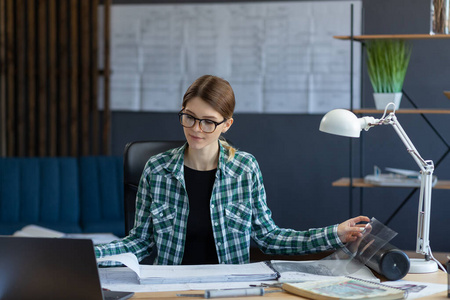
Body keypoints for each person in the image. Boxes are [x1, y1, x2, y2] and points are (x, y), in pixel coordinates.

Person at [95, 75, 370, 265]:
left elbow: (268, 238)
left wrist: (334, 234)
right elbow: (139, 242)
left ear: (227, 125)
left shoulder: (245, 168)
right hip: (169, 284)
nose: (195, 129)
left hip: (230, 286)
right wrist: (86, 257)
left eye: (208, 122)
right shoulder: (156, 169)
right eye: (189, 117)